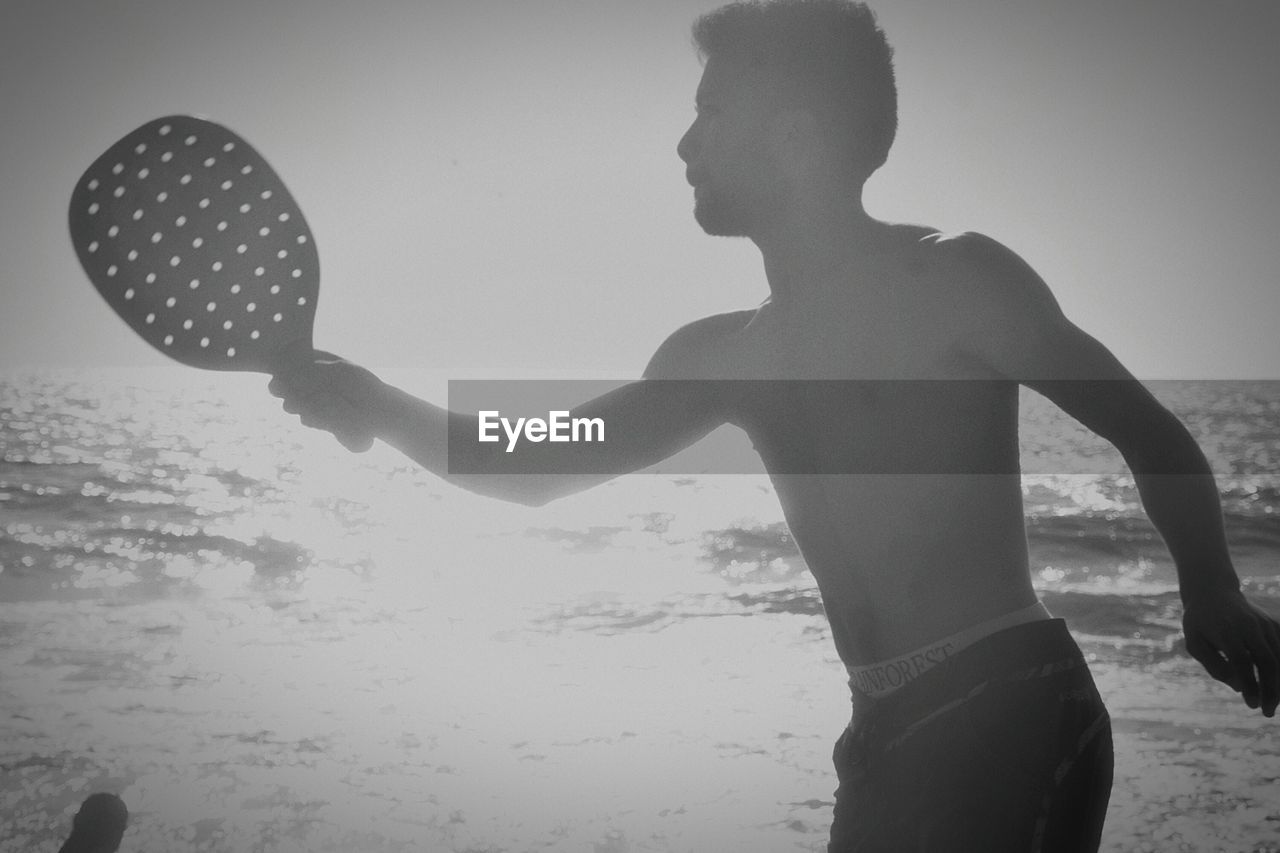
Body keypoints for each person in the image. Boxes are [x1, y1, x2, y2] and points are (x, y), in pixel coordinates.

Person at [270, 1, 1280, 849]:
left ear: (794, 135)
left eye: (710, 111)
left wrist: (1208, 588)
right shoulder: (722, 355)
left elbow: (1145, 431)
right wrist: (376, 406)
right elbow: (540, 462)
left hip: (1009, 700)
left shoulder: (955, 282)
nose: (682, 141)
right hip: (881, 728)